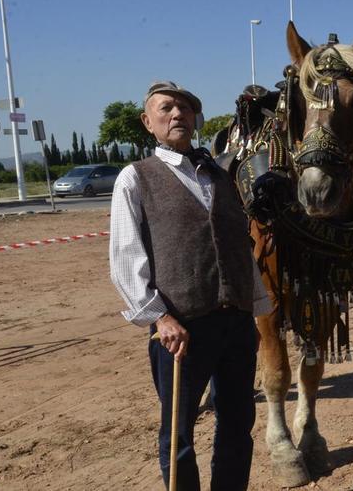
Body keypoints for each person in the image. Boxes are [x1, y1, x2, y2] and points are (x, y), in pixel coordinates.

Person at [109, 80, 269, 490]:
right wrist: (159, 317)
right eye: (166, 108)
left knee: (237, 426)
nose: (177, 114)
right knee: (178, 434)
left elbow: (239, 246)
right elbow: (126, 256)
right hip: (180, 329)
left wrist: (252, 310)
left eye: (185, 108)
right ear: (148, 122)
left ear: (196, 119)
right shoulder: (136, 177)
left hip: (235, 323)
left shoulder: (219, 176)